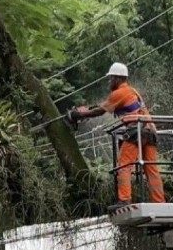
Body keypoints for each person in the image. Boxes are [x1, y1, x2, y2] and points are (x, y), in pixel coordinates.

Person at [68, 62, 165, 206]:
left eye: (111, 78)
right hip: (150, 131)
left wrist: (78, 115)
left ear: (117, 78)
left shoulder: (119, 92)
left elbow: (100, 111)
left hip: (136, 131)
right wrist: (87, 110)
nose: (109, 82)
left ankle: (124, 199)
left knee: (124, 165)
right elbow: (102, 105)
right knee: (151, 170)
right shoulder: (132, 91)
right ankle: (159, 201)